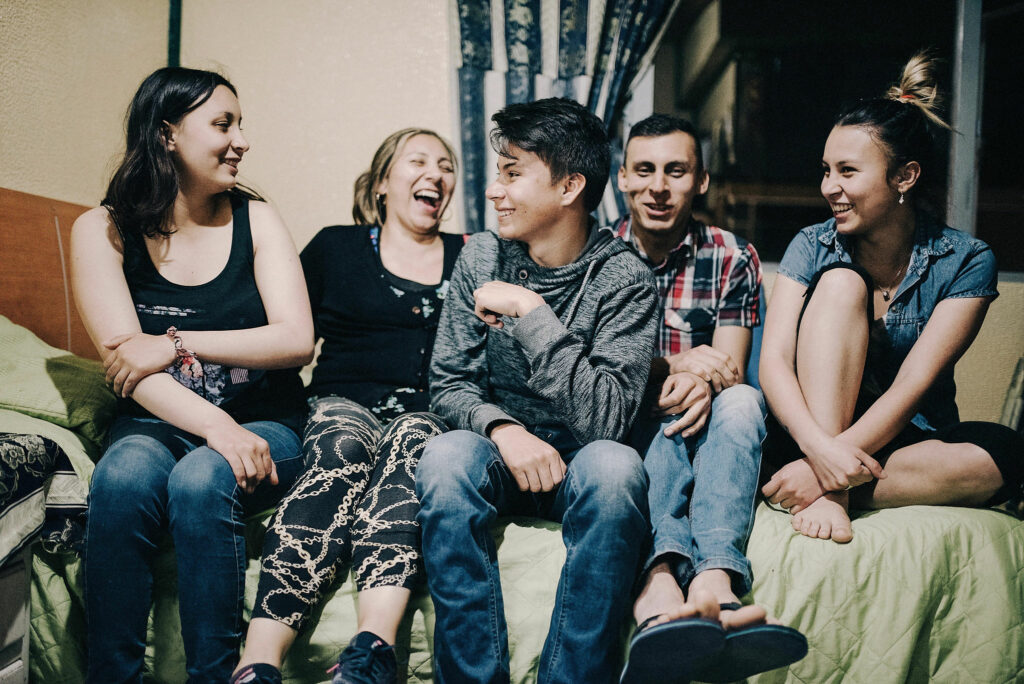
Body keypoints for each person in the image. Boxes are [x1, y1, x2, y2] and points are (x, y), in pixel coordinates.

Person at [70, 67, 314, 682]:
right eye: (222, 124)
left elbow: (295, 340)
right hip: (157, 422)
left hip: (267, 419)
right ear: (167, 134)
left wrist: (176, 343)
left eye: (240, 124)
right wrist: (218, 428)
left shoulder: (256, 219)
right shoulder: (100, 231)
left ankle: (215, 674)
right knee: (121, 477)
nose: (241, 140)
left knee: (205, 480)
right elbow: (130, 368)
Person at [415, 98, 659, 683]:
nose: (495, 190)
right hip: (502, 450)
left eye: (513, 173)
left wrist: (531, 312)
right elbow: (448, 382)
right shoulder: (482, 254)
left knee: (616, 468)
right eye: (499, 172)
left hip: (580, 456)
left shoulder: (626, 278)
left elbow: (607, 420)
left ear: (570, 186)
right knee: (446, 457)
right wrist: (504, 430)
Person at [759, 51, 1024, 544]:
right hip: (806, 434)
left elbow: (909, 391)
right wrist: (819, 449)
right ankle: (830, 486)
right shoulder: (812, 245)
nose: (829, 188)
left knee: (1002, 455)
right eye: (825, 170)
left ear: (904, 177)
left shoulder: (966, 259)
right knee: (842, 283)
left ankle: (807, 486)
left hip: (903, 441)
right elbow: (773, 363)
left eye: (847, 171)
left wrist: (822, 472)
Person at [230, 128, 463, 684]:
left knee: (413, 450)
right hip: (342, 402)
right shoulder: (336, 247)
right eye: (418, 161)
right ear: (383, 183)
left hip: (427, 412)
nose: (435, 173)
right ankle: (256, 663)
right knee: (341, 449)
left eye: (446, 165)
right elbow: (277, 333)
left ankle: (369, 652)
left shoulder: (472, 254)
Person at [612, 114, 806, 684]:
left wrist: (699, 375)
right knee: (655, 409)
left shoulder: (731, 254)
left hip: (715, 415)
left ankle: (716, 579)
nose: (658, 187)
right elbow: (600, 374)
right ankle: (661, 577)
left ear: (700, 182)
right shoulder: (596, 256)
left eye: (676, 171)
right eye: (644, 171)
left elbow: (729, 367)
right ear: (622, 179)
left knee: (744, 401)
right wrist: (677, 365)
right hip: (637, 417)